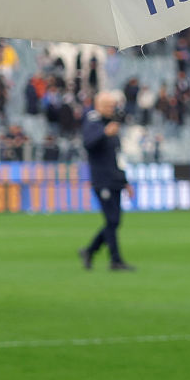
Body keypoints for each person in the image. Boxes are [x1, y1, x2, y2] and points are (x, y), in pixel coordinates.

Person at [79, 92, 134, 272]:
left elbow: (117, 157)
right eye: (108, 105)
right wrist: (104, 133)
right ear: (98, 105)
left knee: (115, 221)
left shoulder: (112, 125)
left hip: (115, 179)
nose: (112, 108)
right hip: (102, 179)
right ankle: (115, 260)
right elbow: (88, 144)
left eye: (113, 105)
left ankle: (89, 250)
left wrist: (125, 181)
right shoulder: (93, 122)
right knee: (111, 220)